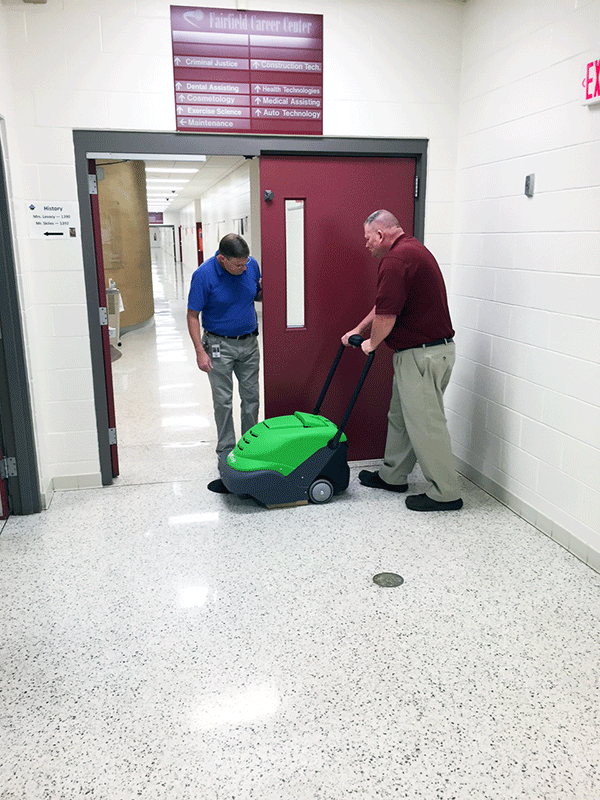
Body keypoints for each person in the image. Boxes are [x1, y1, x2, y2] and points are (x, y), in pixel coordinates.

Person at [342, 210, 463, 511]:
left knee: (425, 425)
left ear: (380, 235)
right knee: (401, 417)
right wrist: (359, 330)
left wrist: (372, 343)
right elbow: (385, 304)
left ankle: (446, 493)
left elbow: (387, 316)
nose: (366, 244)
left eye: (368, 238)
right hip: (421, 354)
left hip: (422, 356)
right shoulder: (410, 250)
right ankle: (393, 475)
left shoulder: (395, 260)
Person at [187, 233, 262, 493]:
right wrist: (199, 350)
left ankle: (251, 444)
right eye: (238, 265)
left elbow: (257, 291)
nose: (244, 268)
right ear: (222, 259)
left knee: (252, 396)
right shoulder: (203, 275)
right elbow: (193, 315)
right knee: (223, 400)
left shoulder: (250, 265)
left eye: (246, 263)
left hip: (249, 343)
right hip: (219, 345)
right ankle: (226, 450)